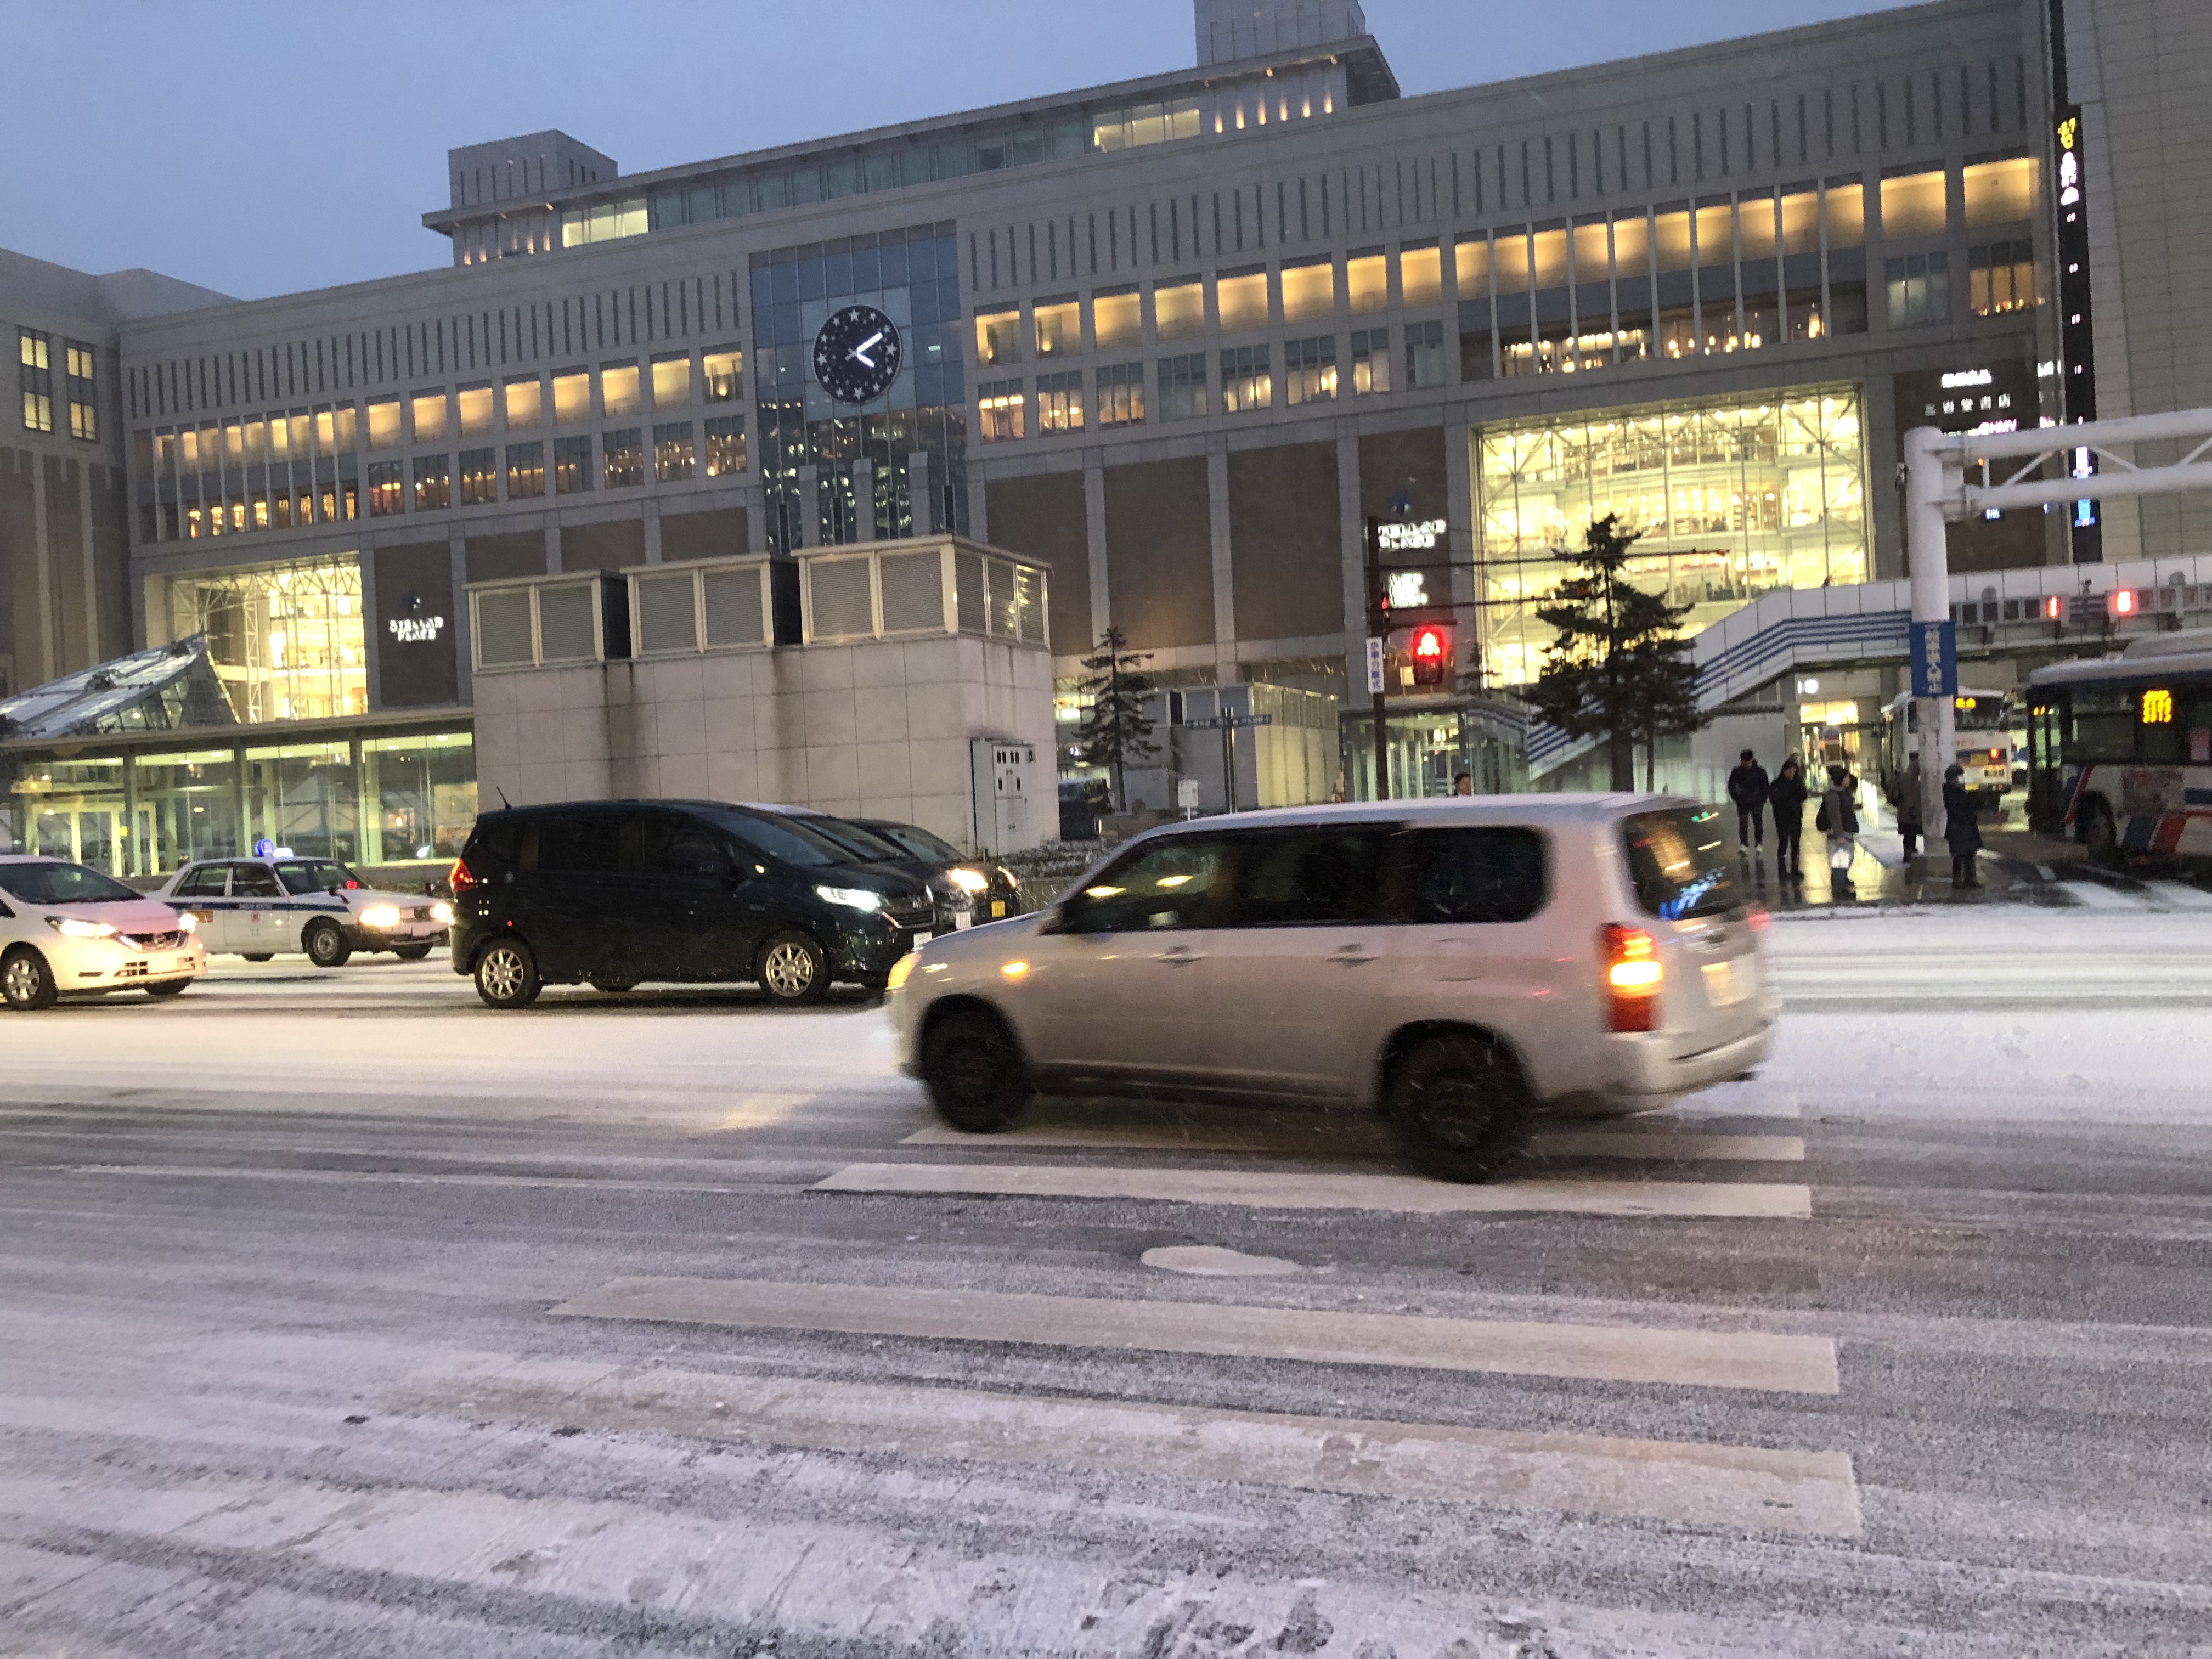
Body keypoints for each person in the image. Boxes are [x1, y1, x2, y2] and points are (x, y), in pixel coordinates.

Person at [1816, 761, 1860, 897]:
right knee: (1840, 861)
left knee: (1844, 859)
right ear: (1841, 779)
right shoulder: (1834, 796)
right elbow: (1835, 816)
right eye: (1847, 777)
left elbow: (1843, 810)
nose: (1849, 779)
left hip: (1844, 832)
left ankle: (1842, 883)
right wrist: (1839, 835)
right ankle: (1839, 889)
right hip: (1839, 835)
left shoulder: (1840, 794)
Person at [1768, 755, 1809, 882]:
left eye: (1794, 771)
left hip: (1796, 817)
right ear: (1784, 771)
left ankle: (1795, 868)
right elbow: (1774, 799)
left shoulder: (1798, 783)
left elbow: (1803, 795)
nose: (1792, 774)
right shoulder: (1777, 784)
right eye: (1790, 771)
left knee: (1795, 843)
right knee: (1784, 842)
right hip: (1782, 818)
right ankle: (1782, 870)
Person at [1943, 763, 1983, 888]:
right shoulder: (1952, 792)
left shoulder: (1954, 791)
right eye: (1957, 777)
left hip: (1962, 828)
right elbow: (1956, 810)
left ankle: (1967, 879)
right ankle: (1962, 880)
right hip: (1960, 828)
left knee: (1967, 854)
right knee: (1961, 855)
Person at [1726, 749, 1771, 856]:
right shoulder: (1738, 772)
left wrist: (1763, 798)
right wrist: (1737, 798)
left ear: (1752, 760)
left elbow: (1765, 786)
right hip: (1744, 802)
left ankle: (1758, 843)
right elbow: (1731, 786)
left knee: (1757, 823)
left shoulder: (1760, 772)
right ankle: (1744, 844)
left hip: (1756, 801)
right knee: (1743, 824)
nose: (1746, 764)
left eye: (1747, 762)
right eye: (1744, 762)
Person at [1895, 755, 1925, 861]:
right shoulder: (1912, 780)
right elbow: (1914, 796)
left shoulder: (1905, 778)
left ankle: (1909, 852)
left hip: (1904, 812)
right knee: (1911, 834)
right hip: (1911, 812)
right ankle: (1909, 854)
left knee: (1909, 834)